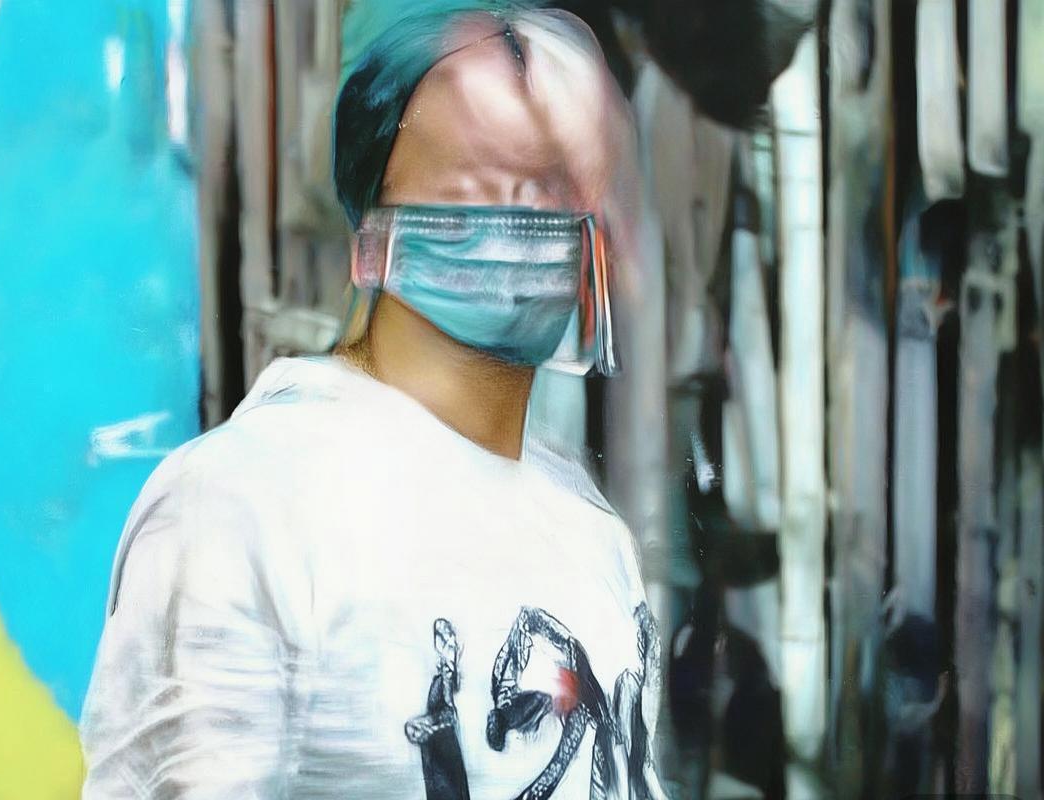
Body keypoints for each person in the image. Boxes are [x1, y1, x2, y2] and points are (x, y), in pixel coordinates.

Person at [80, 3, 666, 798]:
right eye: (476, 184)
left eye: (552, 187)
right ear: (371, 236)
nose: (525, 219)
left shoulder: (591, 537)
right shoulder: (244, 507)